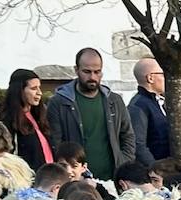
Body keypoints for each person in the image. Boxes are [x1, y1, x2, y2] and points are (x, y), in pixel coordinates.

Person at [46, 49, 136, 182]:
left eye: (97, 72)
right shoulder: (59, 102)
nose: (92, 77)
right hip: (75, 180)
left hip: (112, 178)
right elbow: (55, 142)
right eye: (87, 72)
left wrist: (124, 163)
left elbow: (128, 135)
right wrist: (69, 171)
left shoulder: (114, 101)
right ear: (76, 70)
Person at [2, 70, 54, 170]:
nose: (39, 93)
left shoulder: (40, 116)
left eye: (39, 88)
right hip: (28, 177)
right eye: (33, 88)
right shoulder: (9, 121)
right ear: (19, 91)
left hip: (50, 175)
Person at [127, 59, 170, 165]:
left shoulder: (158, 102)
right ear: (150, 78)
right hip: (155, 170)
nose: (165, 78)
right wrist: (154, 168)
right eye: (162, 74)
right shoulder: (138, 106)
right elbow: (138, 144)